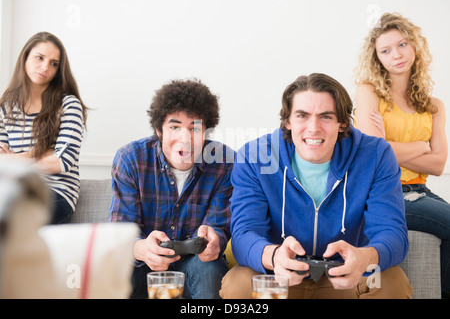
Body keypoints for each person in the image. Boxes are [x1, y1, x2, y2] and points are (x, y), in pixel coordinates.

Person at [220, 73, 413, 299]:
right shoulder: (255, 157)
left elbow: (393, 233)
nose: (313, 128)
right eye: (302, 116)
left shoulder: (376, 155)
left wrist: (365, 258)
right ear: (287, 121)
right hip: (279, 277)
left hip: (346, 278)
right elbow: (244, 234)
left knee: (392, 281)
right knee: (238, 283)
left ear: (342, 123)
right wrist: (274, 257)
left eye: (326, 117)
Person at [109, 78, 235, 299]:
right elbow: (121, 232)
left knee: (210, 269)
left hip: (195, 267)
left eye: (194, 128)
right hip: (141, 268)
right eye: (175, 127)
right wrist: (141, 249)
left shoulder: (224, 163)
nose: (184, 139)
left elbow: (218, 227)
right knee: (117, 272)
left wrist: (214, 240)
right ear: (159, 130)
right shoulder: (130, 159)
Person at [354, 12, 449, 298]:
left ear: (415, 47)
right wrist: (421, 146)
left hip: (421, 192)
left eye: (403, 45)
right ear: (377, 58)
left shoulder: (434, 105)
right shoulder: (368, 92)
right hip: (385, 193)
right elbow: (373, 154)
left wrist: (390, 145)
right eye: (386, 50)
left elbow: (439, 163)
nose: (396, 54)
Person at [0, 32, 88, 225]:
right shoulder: (6, 107)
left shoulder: (68, 105)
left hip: (56, 193)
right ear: (25, 57)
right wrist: (32, 155)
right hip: (14, 191)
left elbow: (62, 161)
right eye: (39, 57)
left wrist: (14, 160)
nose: (45, 67)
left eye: (54, 63)